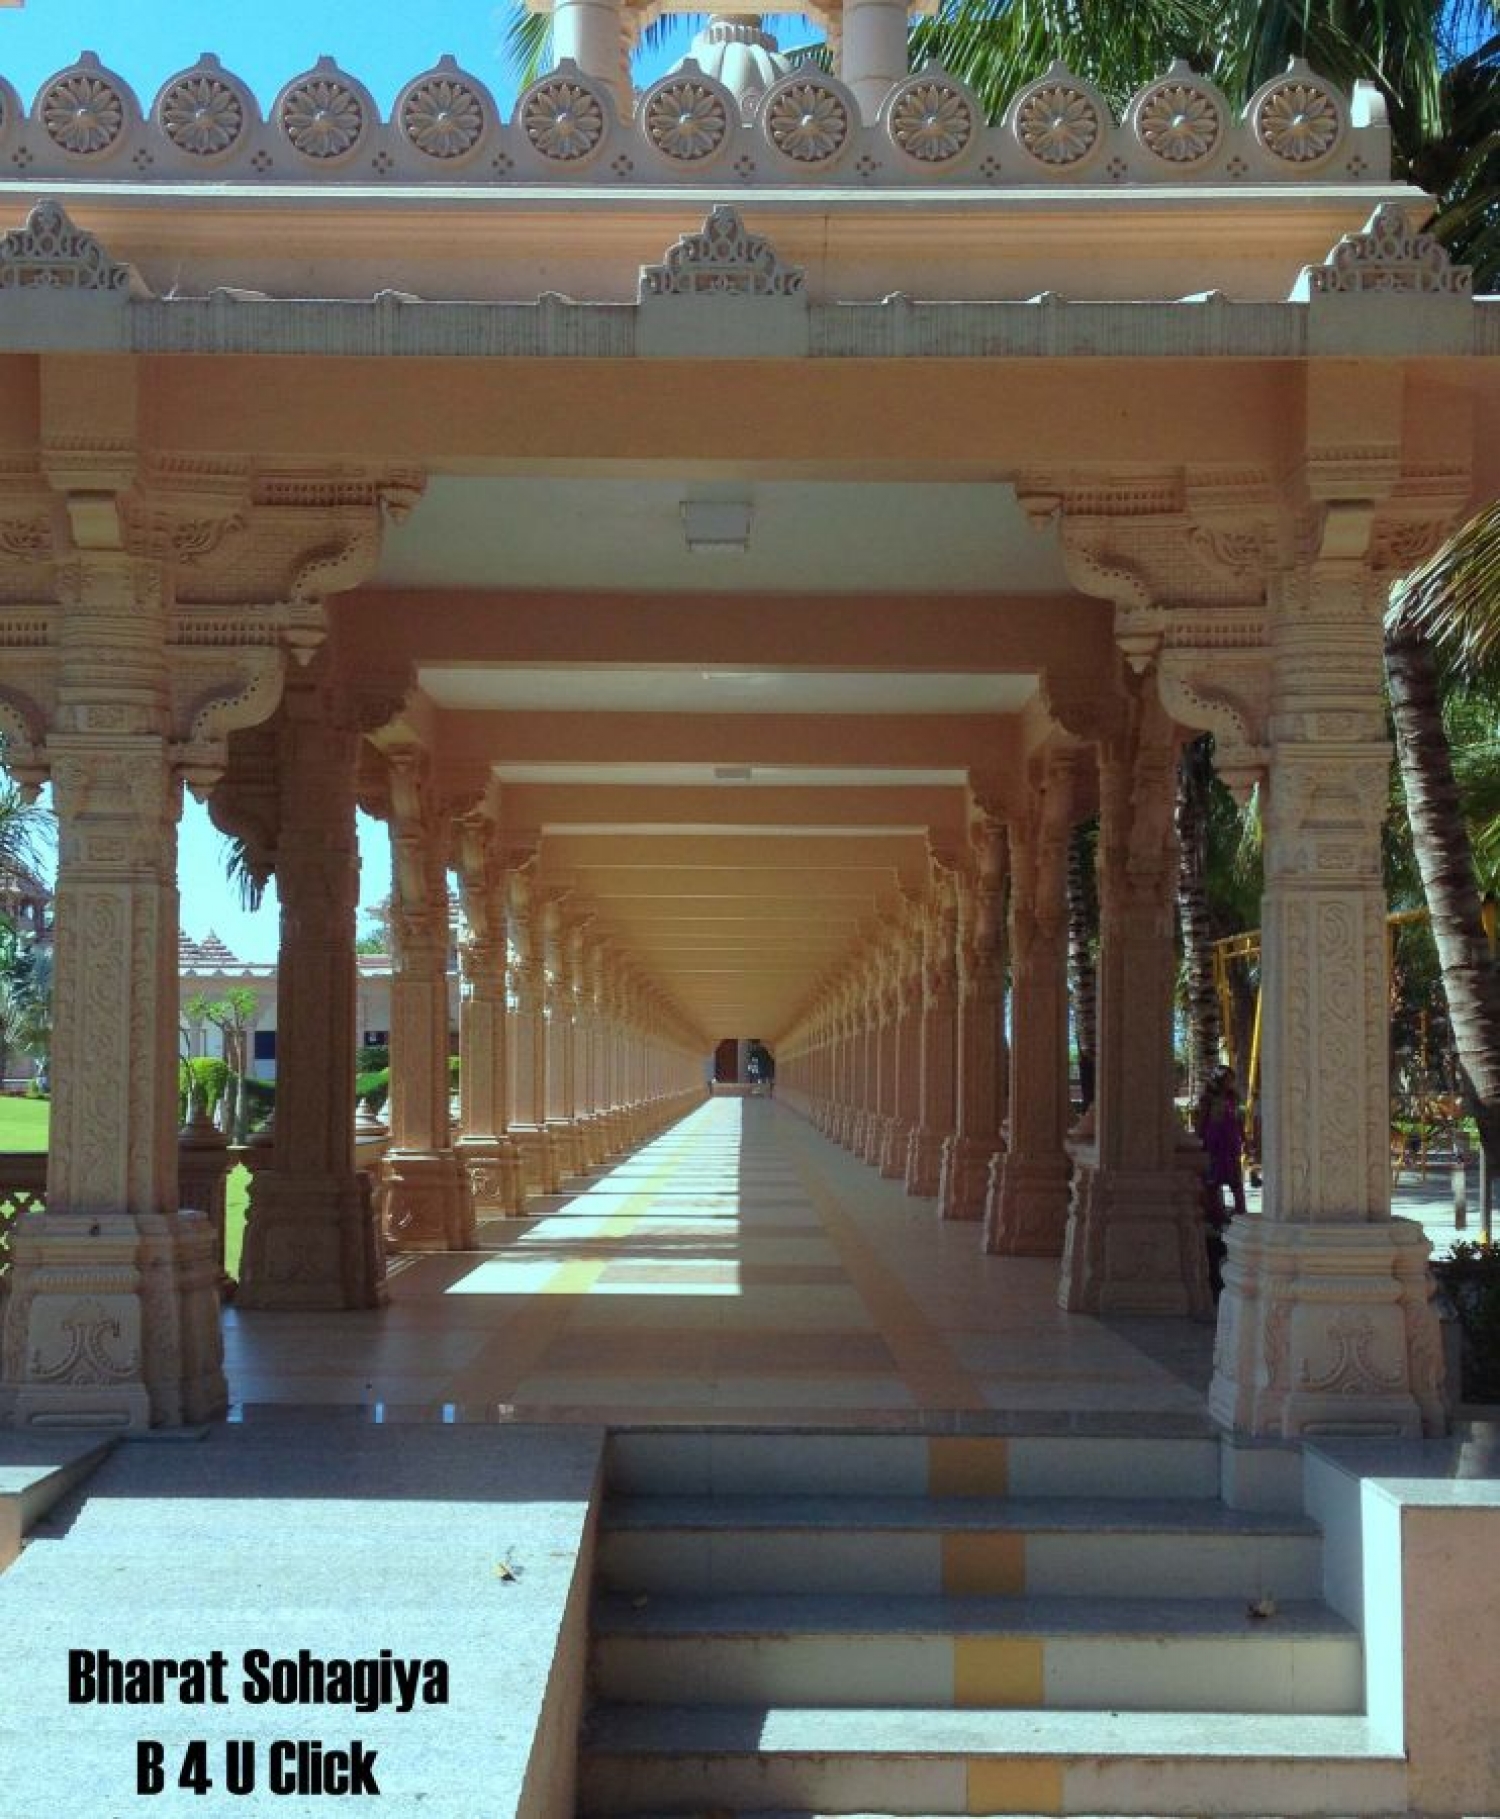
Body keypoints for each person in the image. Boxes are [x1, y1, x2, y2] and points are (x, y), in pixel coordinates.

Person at [1196, 1064, 1247, 1296]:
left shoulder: (1233, 1099)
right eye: (1228, 1079)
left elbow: (1238, 1121)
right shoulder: (1207, 1100)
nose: (1231, 1083)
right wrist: (1197, 1141)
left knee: (1235, 1183)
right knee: (1212, 1183)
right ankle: (1215, 1216)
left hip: (1230, 1146)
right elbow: (1201, 1122)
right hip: (1214, 1146)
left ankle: (1240, 1215)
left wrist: (1244, 1138)